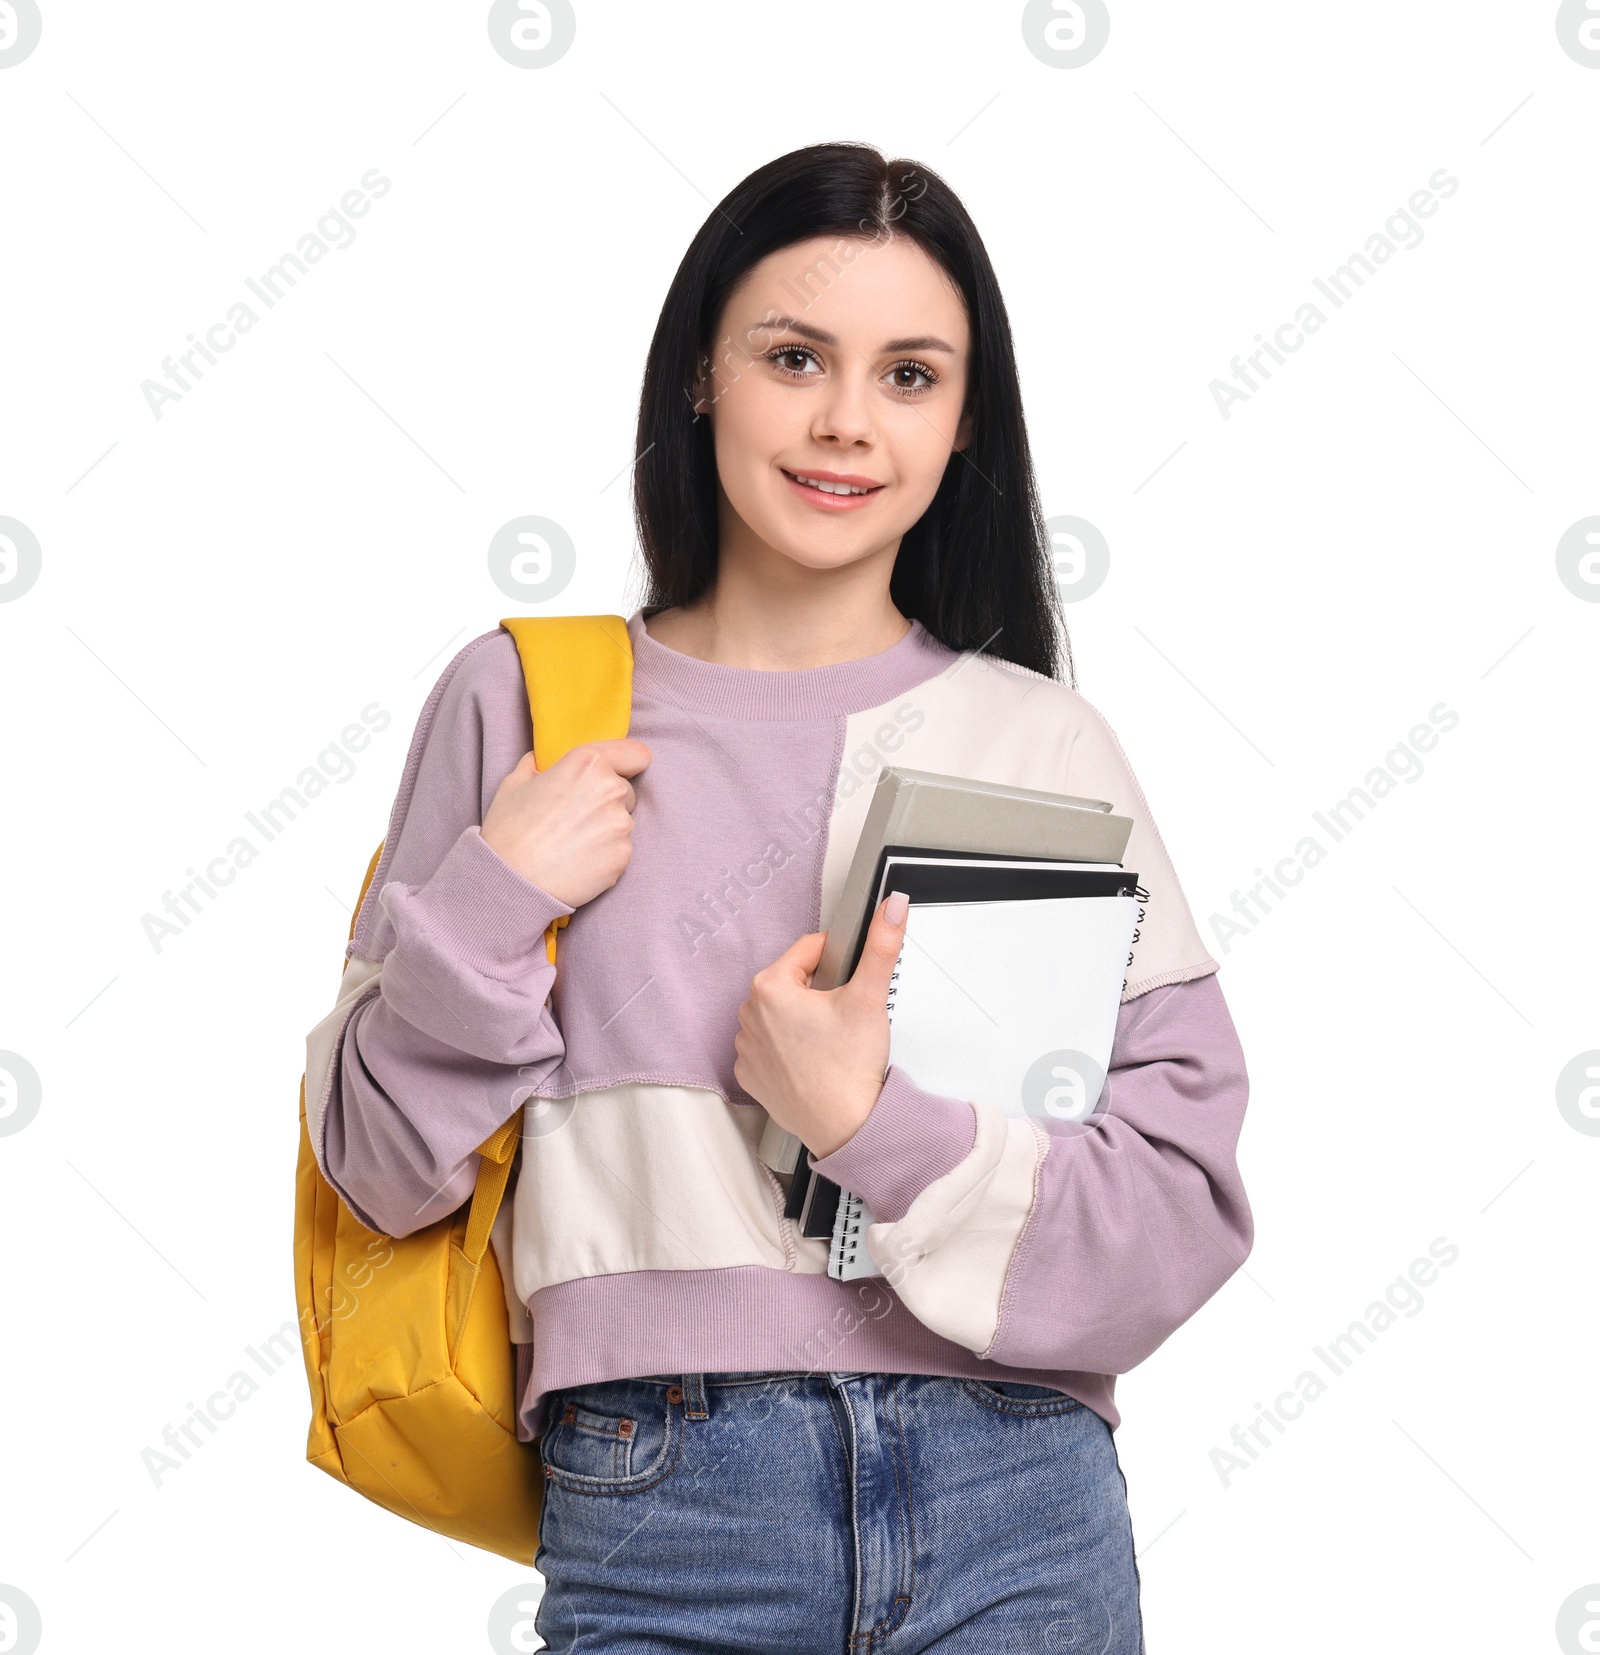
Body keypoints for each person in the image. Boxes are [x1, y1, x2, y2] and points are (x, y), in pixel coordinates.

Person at [303, 141, 1252, 1654]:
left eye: (911, 376)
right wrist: (492, 904)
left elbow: (1178, 1211)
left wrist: (874, 1127)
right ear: (700, 377)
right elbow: (375, 1170)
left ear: (962, 425)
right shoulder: (528, 703)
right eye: (795, 356)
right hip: (663, 1496)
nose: (843, 424)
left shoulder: (1042, 745)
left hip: (1020, 1502)